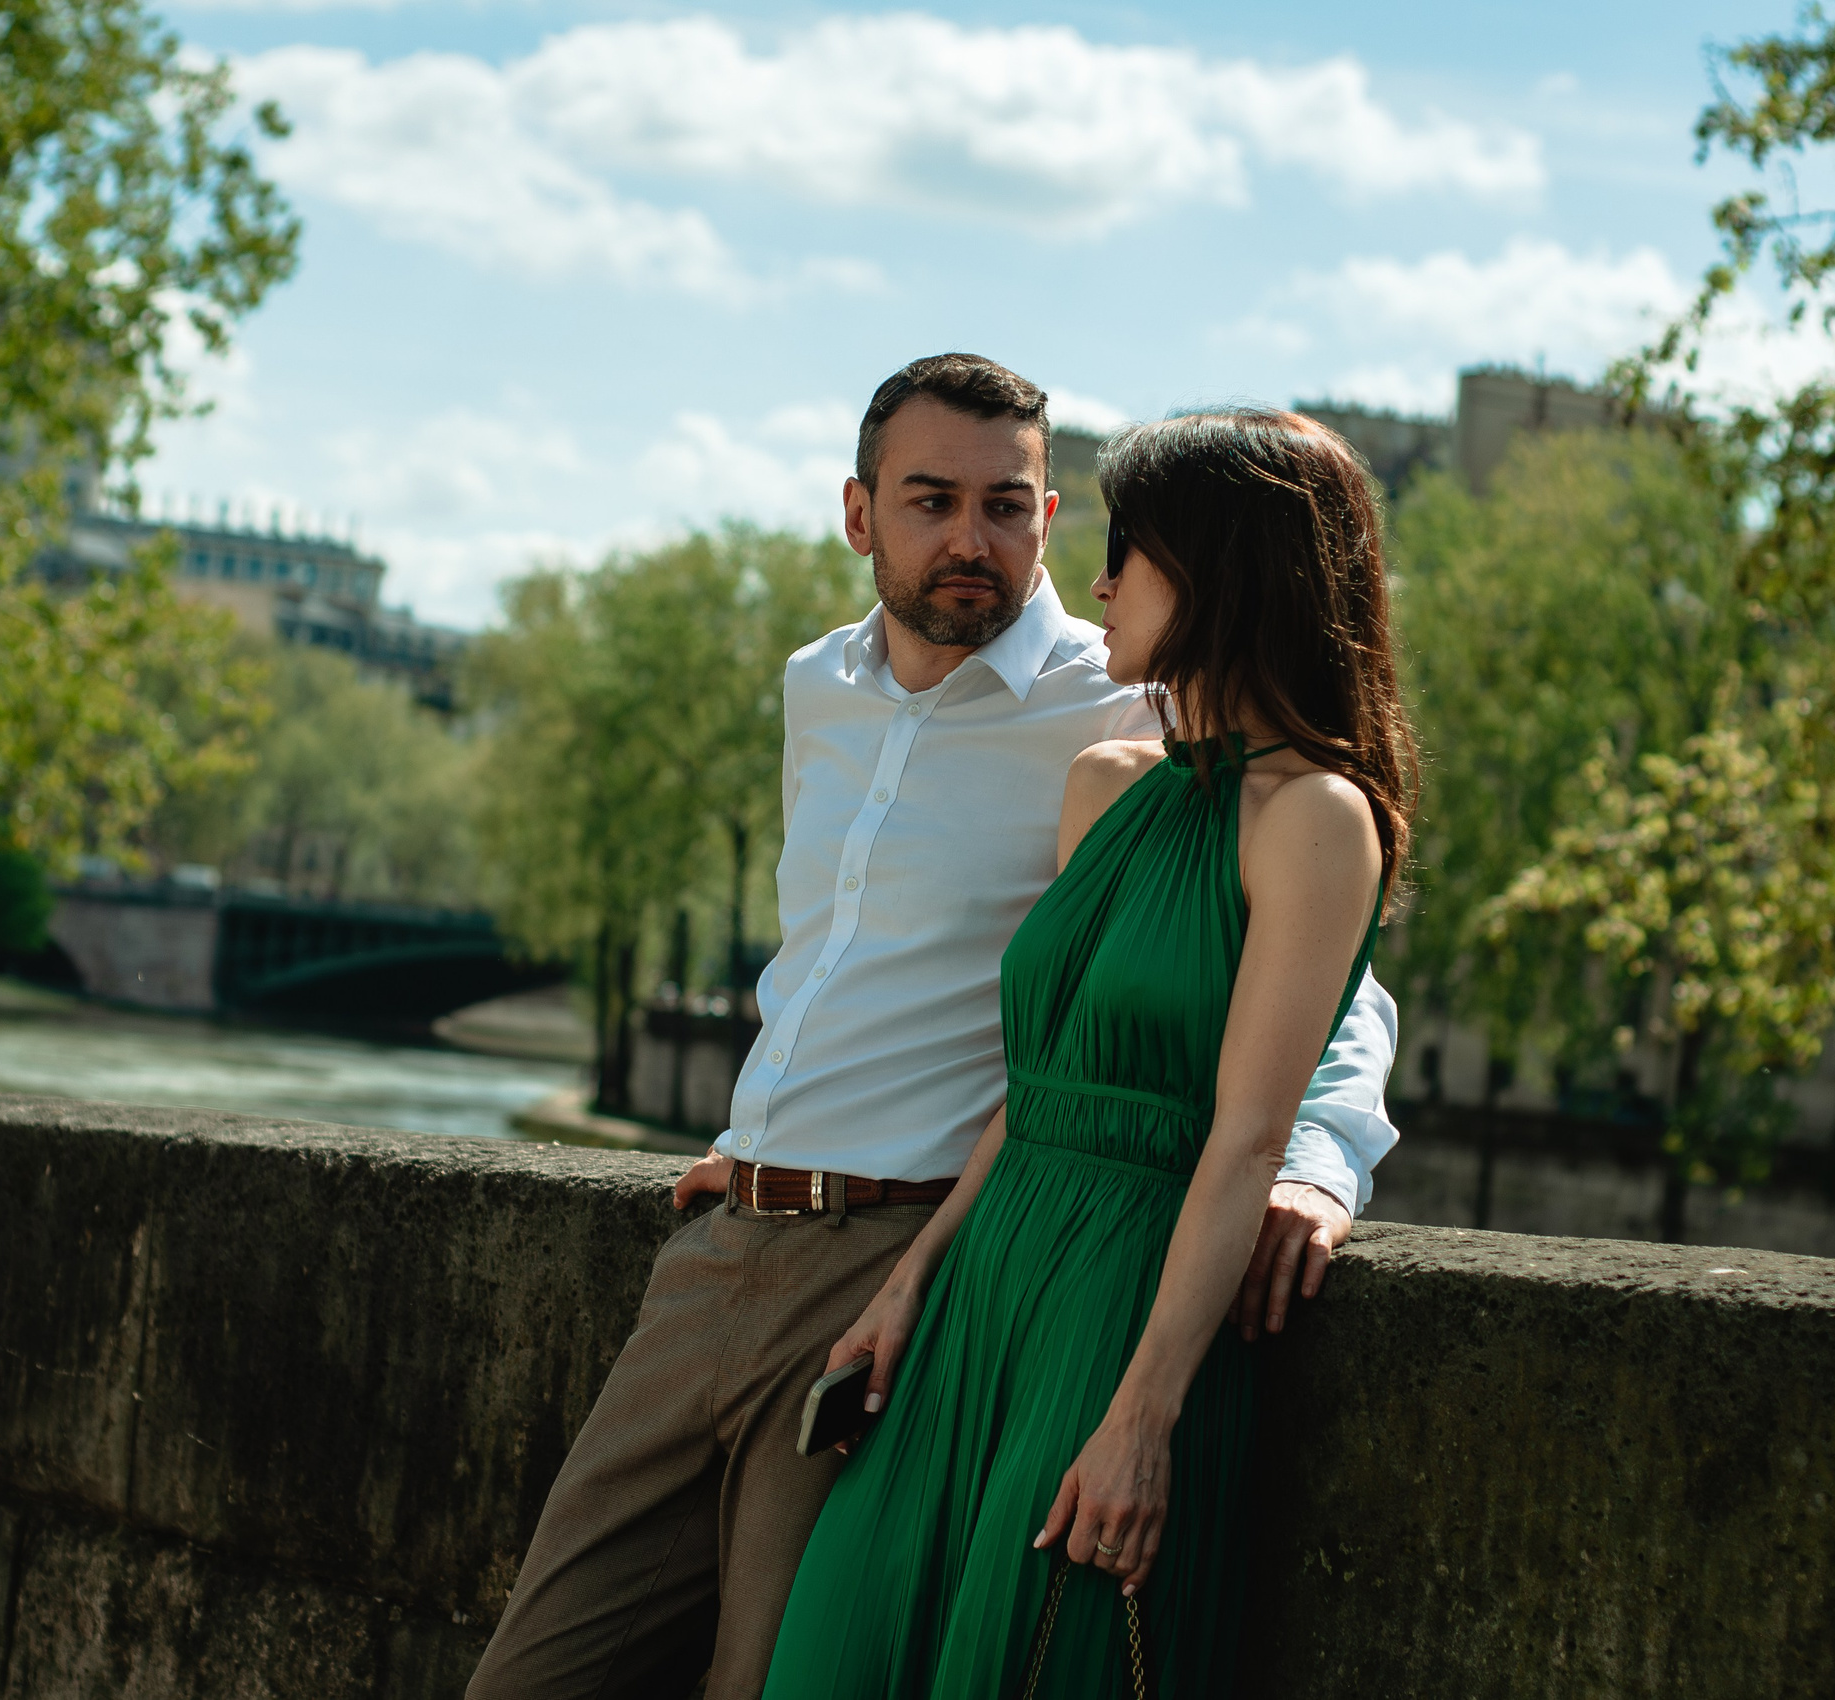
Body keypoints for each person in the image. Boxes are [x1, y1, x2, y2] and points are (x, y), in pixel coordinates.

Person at [463, 357, 1400, 1700]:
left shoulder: (1132, 703)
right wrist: (771, 1129)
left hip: (906, 1256)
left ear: (1051, 518)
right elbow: (834, 955)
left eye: (1008, 507)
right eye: (932, 501)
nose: (974, 539)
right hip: (728, 1245)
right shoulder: (819, 687)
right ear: (860, 515)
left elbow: (1320, 980)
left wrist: (1321, 1161)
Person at [758, 407, 1415, 1699]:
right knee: (841, 1652)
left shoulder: (1318, 818)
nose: (1099, 585)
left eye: (1130, 553)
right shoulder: (1106, 783)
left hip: (1124, 1304)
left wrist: (1144, 1418)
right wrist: (913, 1279)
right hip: (984, 1283)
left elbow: (1246, 1141)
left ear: (1222, 573)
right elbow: (1038, 1084)